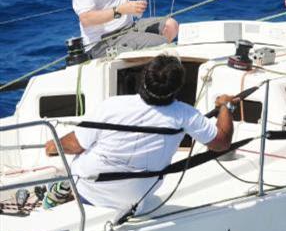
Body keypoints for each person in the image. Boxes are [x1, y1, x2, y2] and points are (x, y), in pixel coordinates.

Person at [44, 55, 236, 213]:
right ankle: (68, 189)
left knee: (82, 153)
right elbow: (222, 142)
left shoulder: (111, 106)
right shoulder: (186, 115)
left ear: (143, 79)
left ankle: (64, 190)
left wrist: (52, 146)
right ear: (177, 89)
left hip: (88, 189)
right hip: (136, 198)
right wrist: (226, 106)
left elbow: (75, 145)